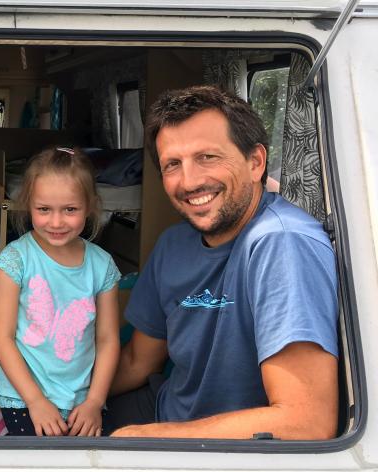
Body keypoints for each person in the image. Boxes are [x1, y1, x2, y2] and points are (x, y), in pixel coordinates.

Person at [98, 85, 340, 440]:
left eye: (208, 157)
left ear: (255, 162)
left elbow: (307, 422)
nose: (190, 181)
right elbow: (138, 361)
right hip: (166, 408)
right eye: (173, 165)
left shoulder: (282, 244)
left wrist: (147, 439)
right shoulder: (173, 244)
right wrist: (50, 397)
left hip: (227, 448)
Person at [0, 147, 121, 436]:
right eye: (44, 209)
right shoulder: (15, 260)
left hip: (82, 401)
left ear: (90, 206)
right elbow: (2, 339)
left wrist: (96, 401)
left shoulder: (102, 265)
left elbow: (108, 339)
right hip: (23, 399)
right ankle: (0, 426)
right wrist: (35, 401)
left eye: (70, 210)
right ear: (28, 205)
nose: (56, 222)